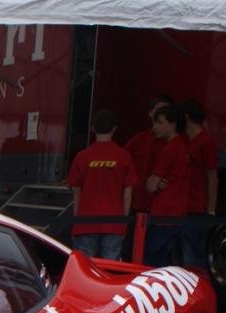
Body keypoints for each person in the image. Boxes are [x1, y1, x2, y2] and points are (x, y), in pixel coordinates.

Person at [65, 109, 138, 260]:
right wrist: (123, 221)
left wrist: (77, 220)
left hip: (85, 223)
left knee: (84, 267)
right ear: (114, 129)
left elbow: (76, 190)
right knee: (110, 268)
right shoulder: (124, 157)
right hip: (114, 223)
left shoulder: (82, 156)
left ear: (93, 128)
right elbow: (128, 193)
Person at [144, 104, 191, 266]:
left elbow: (151, 185)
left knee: (150, 261)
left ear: (173, 124)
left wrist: (154, 182)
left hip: (163, 212)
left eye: (160, 123)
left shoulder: (170, 148)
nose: (155, 127)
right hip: (178, 212)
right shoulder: (184, 146)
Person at [180, 99, 218, 271]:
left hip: (197, 208)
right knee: (184, 256)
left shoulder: (205, 141)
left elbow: (212, 176)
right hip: (183, 207)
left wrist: (210, 211)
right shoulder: (186, 140)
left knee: (193, 258)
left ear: (186, 116)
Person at [125, 94, 173, 214]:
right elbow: (121, 164)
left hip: (164, 206)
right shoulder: (139, 139)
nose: (162, 114)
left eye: (166, 111)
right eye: (159, 110)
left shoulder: (177, 144)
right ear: (150, 113)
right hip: (138, 203)